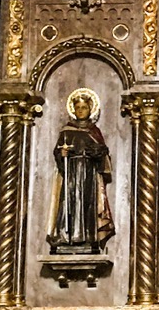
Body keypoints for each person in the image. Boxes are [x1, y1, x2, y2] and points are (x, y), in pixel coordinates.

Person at [48, 89, 115, 251]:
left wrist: (95, 152)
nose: (80, 111)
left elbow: (102, 152)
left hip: (88, 174)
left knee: (87, 204)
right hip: (71, 173)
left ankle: (88, 237)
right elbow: (57, 152)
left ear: (90, 109)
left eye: (84, 107)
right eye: (77, 108)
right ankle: (66, 236)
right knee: (68, 202)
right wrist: (62, 154)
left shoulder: (94, 131)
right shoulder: (66, 131)